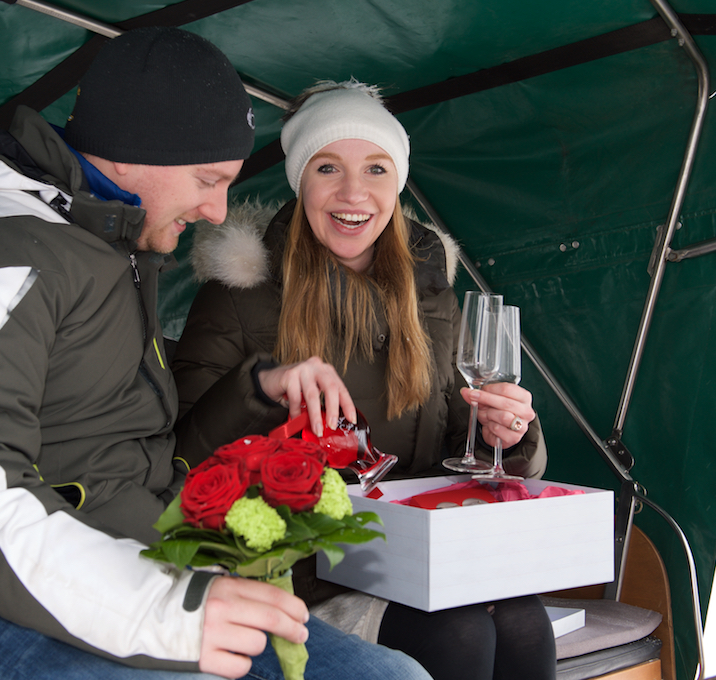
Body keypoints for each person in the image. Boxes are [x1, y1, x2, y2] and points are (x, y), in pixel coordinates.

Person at [0, 30, 431, 680]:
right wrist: (168, 613)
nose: (216, 209)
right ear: (137, 150)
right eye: (207, 179)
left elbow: (133, 463)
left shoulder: (116, 245)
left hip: (124, 562)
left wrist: (256, 396)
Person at [171, 80, 556, 680]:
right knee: (458, 633)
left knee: (525, 623)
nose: (354, 193)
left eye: (376, 168)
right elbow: (180, 468)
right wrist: (260, 390)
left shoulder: (430, 296)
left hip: (414, 561)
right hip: (300, 575)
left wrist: (507, 434)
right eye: (329, 167)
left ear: (396, 182)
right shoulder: (237, 298)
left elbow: (460, 455)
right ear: (301, 182)